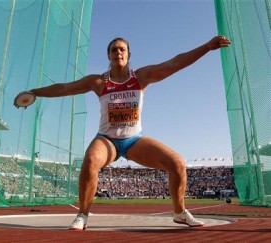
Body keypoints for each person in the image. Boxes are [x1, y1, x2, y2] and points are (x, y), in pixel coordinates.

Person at [15, 35, 231, 230]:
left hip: (133, 140)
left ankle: (180, 212)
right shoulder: (99, 81)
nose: (118, 52)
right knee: (90, 161)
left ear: (128, 54)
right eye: (114, 50)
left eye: (122, 49)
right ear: (108, 55)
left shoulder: (141, 77)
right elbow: (64, 88)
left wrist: (207, 47)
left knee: (177, 163)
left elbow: (175, 63)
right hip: (107, 140)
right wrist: (34, 92)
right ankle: (82, 215)